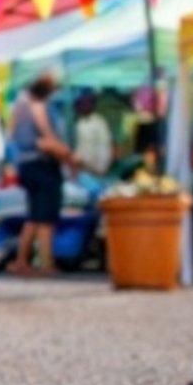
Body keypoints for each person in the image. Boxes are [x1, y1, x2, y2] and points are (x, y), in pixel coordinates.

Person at [8, 73, 71, 277]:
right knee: (45, 217)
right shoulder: (36, 107)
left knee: (33, 216)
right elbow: (47, 139)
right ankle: (46, 262)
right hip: (43, 165)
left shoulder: (18, 106)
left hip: (26, 166)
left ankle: (21, 261)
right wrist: (67, 154)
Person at [71, 91, 114, 193]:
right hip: (85, 171)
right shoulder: (79, 123)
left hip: (99, 171)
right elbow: (80, 147)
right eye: (82, 104)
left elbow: (105, 146)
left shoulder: (99, 122)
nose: (84, 106)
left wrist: (103, 166)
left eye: (87, 103)